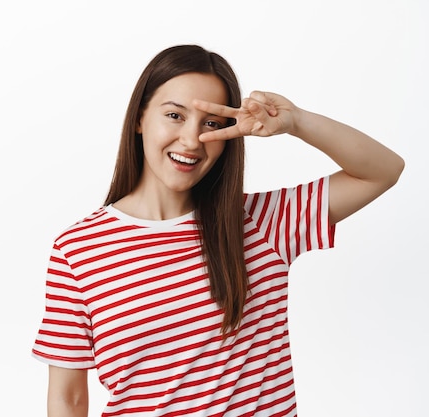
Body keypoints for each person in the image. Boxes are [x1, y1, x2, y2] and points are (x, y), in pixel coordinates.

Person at [31, 44, 404, 417]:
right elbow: (69, 398)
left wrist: (297, 122)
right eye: (175, 115)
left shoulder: (261, 223)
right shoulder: (78, 249)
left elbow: (382, 170)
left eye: (211, 123)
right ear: (139, 119)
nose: (192, 140)